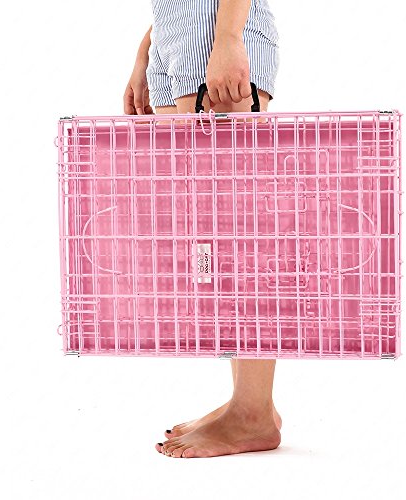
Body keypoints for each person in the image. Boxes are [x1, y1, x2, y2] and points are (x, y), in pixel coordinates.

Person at [123, 0, 281, 458]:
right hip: (177, 40)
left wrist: (229, 37)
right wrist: (147, 50)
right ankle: (246, 403)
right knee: (213, 237)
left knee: (240, 237)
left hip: (214, 34)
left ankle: (252, 412)